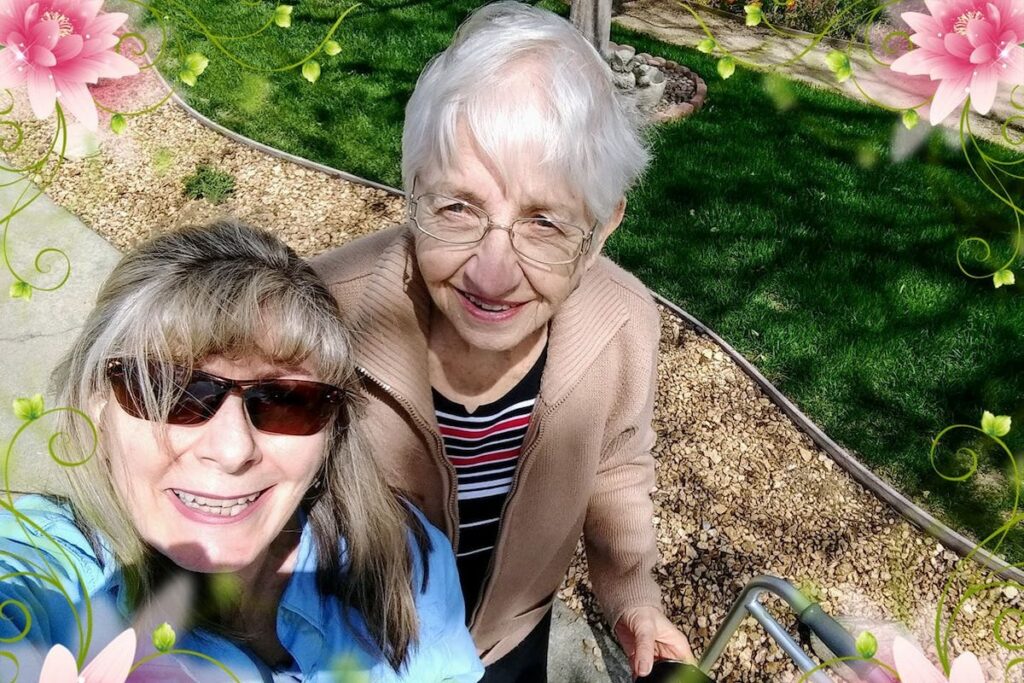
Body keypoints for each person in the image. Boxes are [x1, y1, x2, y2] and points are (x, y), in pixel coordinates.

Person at [311, 2, 693, 680]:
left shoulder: (623, 322)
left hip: (508, 634)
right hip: (352, 640)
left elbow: (615, 466)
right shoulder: (324, 312)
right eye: (457, 207)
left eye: (545, 222)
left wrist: (633, 595)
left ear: (604, 226)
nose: (493, 272)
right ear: (411, 188)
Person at [0, 220, 483, 682]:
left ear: (333, 425)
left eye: (286, 400)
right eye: (174, 392)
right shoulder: (54, 569)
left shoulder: (402, 554)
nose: (232, 450)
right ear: (97, 405)